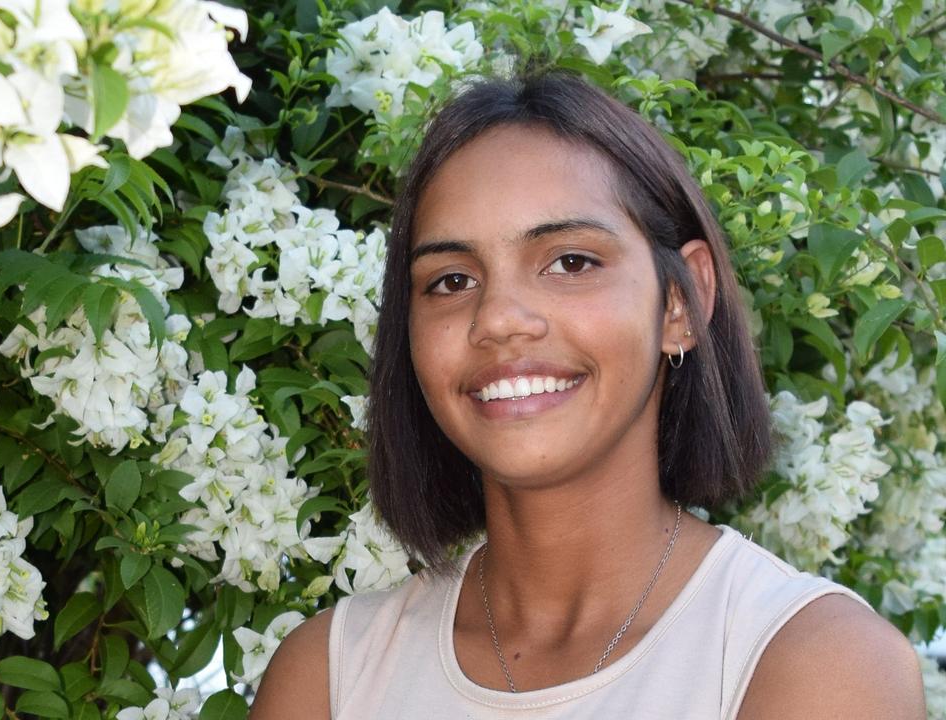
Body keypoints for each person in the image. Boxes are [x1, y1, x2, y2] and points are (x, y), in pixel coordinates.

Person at [249, 71, 926, 719]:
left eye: (571, 262)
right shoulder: (327, 676)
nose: (499, 319)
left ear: (681, 304)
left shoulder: (815, 661)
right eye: (451, 281)